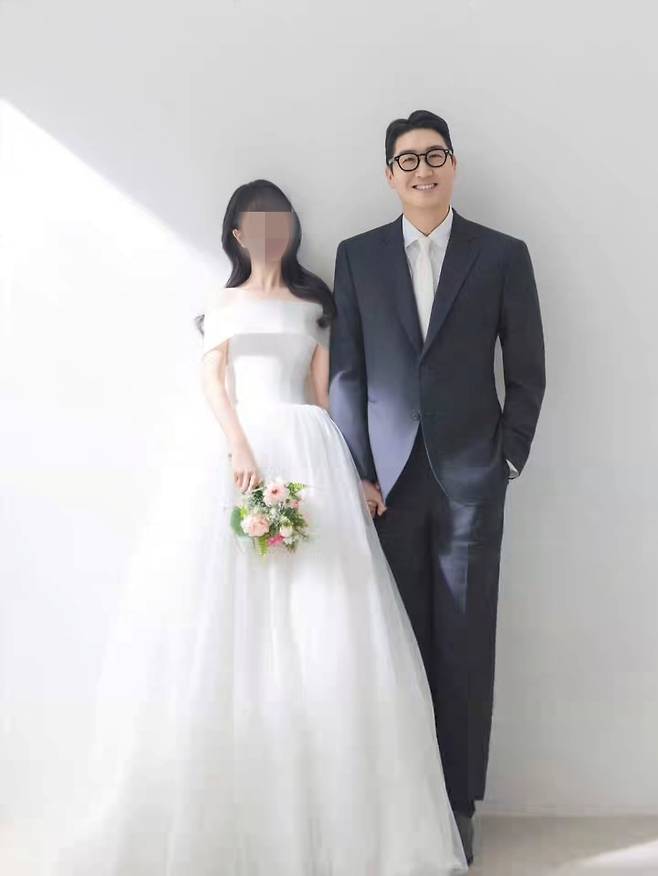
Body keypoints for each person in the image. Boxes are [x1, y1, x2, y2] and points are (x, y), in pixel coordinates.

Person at [52, 179, 467, 875]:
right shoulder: (222, 304)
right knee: (224, 612)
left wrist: (357, 473)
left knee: (322, 608)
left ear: (291, 230)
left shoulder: (313, 304)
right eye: (256, 223)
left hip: (309, 449)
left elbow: (325, 394)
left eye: (280, 221)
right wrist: (240, 447)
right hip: (239, 449)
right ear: (238, 235)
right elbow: (213, 380)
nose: (270, 233)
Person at [329, 109, 546, 865]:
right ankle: (399, 803)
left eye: (434, 155)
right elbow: (347, 372)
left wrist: (506, 460)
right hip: (385, 488)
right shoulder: (357, 257)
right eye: (407, 159)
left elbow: (527, 370)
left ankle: (457, 805)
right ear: (389, 175)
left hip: (470, 482)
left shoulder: (501, 255)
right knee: (395, 647)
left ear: (453, 164)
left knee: (464, 646)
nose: (421, 169)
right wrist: (358, 470)